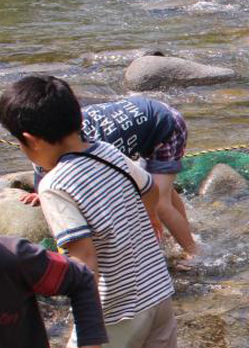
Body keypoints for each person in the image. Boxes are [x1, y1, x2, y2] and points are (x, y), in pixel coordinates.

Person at [0, 76, 231, 348]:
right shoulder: (110, 152)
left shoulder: (55, 185)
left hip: (114, 309)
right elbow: (150, 192)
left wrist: (83, 339)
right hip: (156, 291)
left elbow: (84, 262)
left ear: (29, 140)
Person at [22, 97, 196, 257]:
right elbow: (42, 169)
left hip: (165, 124)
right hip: (148, 121)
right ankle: (184, 231)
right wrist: (40, 192)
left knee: (160, 203)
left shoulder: (92, 146)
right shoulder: (54, 137)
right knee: (164, 191)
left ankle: (193, 253)